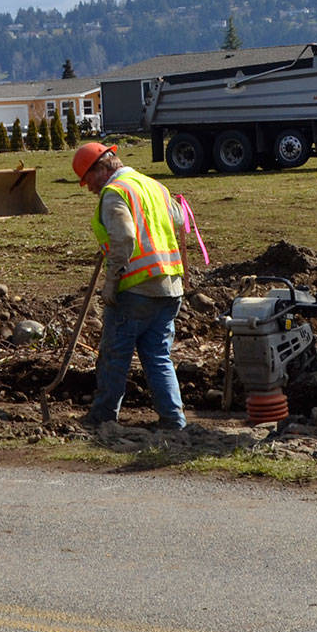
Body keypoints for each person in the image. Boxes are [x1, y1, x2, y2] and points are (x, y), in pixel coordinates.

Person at [71, 141, 187, 432]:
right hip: (170, 285)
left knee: (114, 354)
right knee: (159, 356)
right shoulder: (153, 186)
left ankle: (103, 416)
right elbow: (178, 220)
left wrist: (112, 281)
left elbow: (124, 238)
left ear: (102, 168)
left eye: (88, 180)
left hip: (136, 288)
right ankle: (174, 421)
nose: (89, 188)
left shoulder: (115, 193)